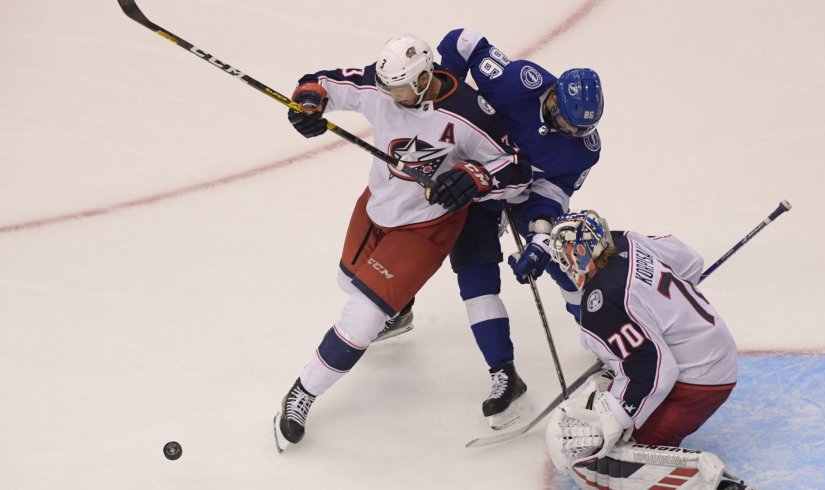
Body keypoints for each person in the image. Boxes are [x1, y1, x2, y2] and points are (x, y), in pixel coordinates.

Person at [273, 33, 532, 452]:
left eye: (398, 87)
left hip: (425, 229)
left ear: (425, 77)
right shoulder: (384, 86)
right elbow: (322, 81)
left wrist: (474, 177)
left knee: (360, 318)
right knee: (348, 281)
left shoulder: (466, 113)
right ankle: (400, 313)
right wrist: (308, 103)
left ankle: (302, 392)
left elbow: (517, 167)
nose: (387, 94)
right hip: (375, 209)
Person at [380, 28, 603, 430]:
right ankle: (504, 373)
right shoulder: (520, 81)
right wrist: (449, 104)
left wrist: (538, 239)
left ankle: (604, 337)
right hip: (471, 183)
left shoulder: (585, 147)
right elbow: (463, 41)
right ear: (552, 97)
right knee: (475, 277)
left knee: (566, 263)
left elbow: (552, 192)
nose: (571, 134)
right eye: (566, 124)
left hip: (521, 196)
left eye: (579, 130)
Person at [541, 211, 753, 490]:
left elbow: (656, 370)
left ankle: (716, 486)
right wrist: (665, 309)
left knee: (621, 456)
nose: (566, 265)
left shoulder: (601, 302)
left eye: (566, 256)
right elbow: (691, 261)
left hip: (701, 380)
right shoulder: (626, 241)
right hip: (715, 347)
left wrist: (613, 422)